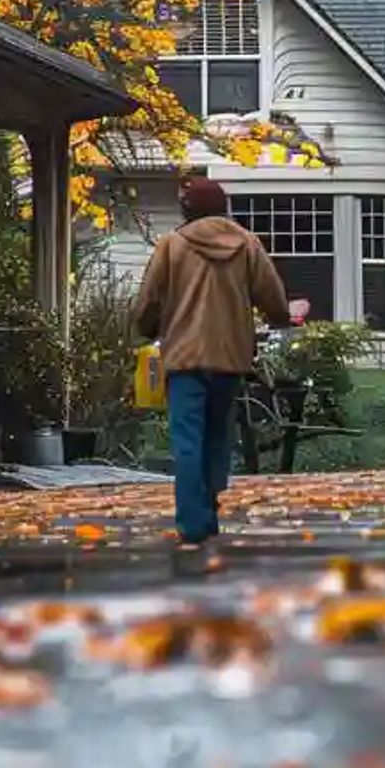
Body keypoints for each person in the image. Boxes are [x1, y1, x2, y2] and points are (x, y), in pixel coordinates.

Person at [133, 177, 293, 545]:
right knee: (217, 434)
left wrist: (147, 328)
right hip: (230, 358)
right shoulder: (247, 244)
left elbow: (150, 300)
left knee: (187, 439)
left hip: (185, 358)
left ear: (187, 210)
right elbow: (272, 296)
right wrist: (279, 318)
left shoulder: (171, 246)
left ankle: (194, 522)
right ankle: (210, 500)